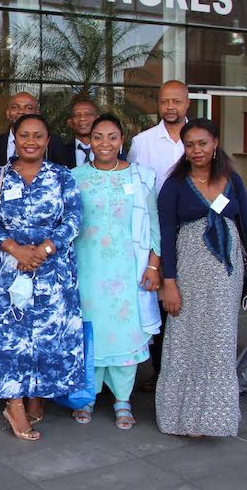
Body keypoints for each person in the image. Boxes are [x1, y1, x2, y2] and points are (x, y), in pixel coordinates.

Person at [155, 118, 247, 437]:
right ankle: (182, 416)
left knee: (219, 342)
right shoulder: (175, 184)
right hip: (188, 272)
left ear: (215, 143)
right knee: (185, 340)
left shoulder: (232, 180)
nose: (196, 150)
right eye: (190, 144)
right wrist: (169, 282)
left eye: (202, 143)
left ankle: (213, 417)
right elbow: (166, 236)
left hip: (225, 275)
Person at [0, 114, 83, 441]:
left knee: (48, 338)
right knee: (11, 339)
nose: (31, 141)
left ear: (48, 140)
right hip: (12, 269)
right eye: (24, 135)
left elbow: (74, 219)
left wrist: (44, 249)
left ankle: (38, 394)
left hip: (54, 271)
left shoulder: (63, 176)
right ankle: (14, 405)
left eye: (38, 136)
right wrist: (18, 251)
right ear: (15, 138)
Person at [70, 114, 161, 430]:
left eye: (112, 137)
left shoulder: (141, 177)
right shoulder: (74, 177)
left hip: (127, 272)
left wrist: (154, 265)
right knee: (89, 330)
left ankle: (123, 399)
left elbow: (154, 225)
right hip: (87, 270)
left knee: (125, 331)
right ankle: (87, 396)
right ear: (89, 141)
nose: (104, 143)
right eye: (98, 137)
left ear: (122, 141)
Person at [126, 79, 190, 387]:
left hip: (193, 230)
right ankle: (162, 371)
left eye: (176, 101)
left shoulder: (199, 138)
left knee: (191, 299)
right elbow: (133, 188)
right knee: (161, 298)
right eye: (165, 101)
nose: (170, 107)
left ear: (187, 103)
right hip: (156, 231)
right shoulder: (143, 142)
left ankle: (188, 369)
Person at [0, 92, 39, 173]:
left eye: (28, 108)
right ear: (8, 113)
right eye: (15, 107)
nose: (21, 111)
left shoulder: (50, 144)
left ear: (37, 114)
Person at [56, 99, 101, 168]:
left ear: (98, 120)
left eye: (88, 114)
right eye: (77, 115)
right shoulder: (59, 153)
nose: (82, 118)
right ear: (70, 122)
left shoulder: (111, 151)